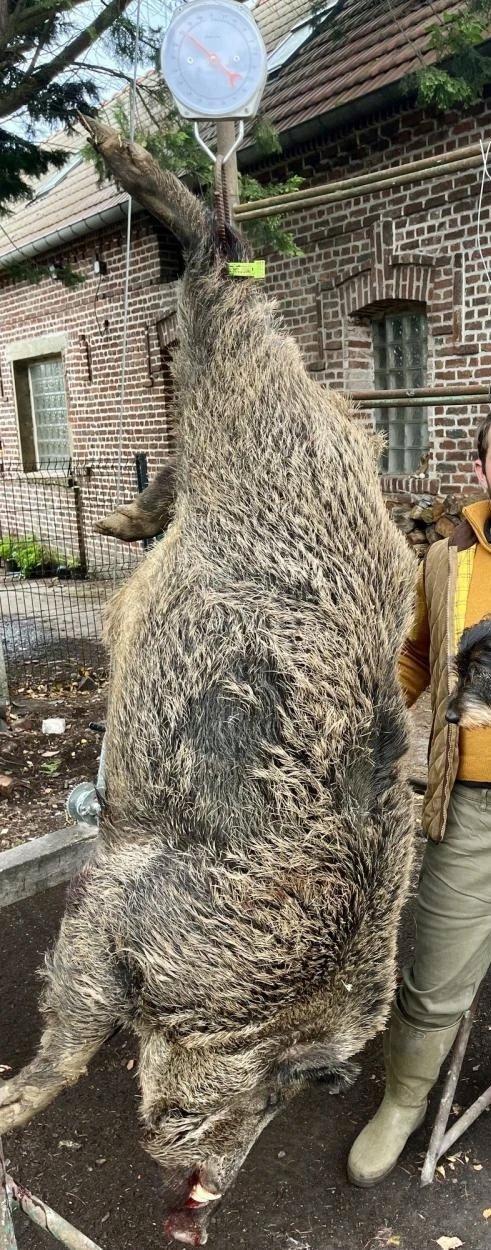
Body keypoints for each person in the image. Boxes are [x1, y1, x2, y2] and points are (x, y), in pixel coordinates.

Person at [347, 414, 491, 1187]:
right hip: (470, 808)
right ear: (481, 470)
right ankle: (402, 1101)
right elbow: (414, 653)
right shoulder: (445, 560)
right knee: (433, 974)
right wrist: (360, 726)